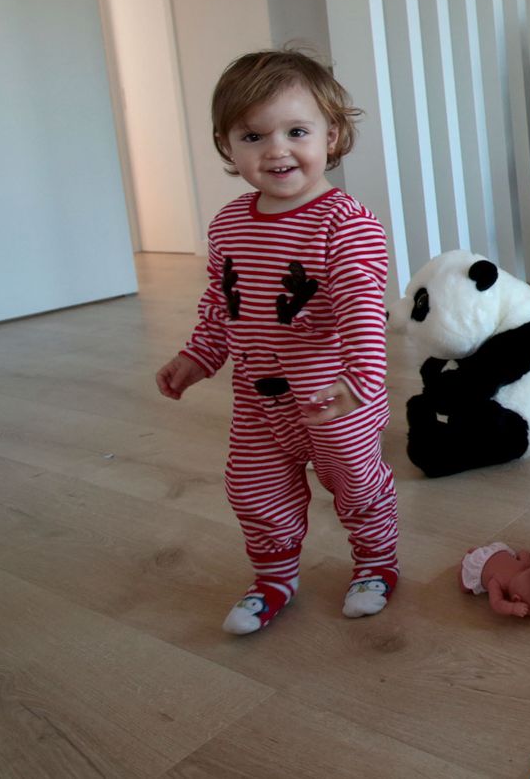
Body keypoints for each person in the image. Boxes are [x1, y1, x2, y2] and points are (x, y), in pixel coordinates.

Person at [154, 50, 398, 634]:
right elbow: (222, 301)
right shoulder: (229, 224)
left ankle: (376, 562)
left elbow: (364, 309)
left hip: (334, 397)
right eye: (253, 135)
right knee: (251, 488)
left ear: (331, 135)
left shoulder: (345, 223)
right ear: (226, 145)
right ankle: (273, 577)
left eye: (296, 131)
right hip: (259, 400)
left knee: (355, 483)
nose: (276, 149)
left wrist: (360, 384)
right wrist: (198, 355)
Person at [461, 542, 530, 617]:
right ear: (516, 599)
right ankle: (465, 562)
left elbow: (524, 552)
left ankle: (476, 551)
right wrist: (512, 608)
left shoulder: (524, 565)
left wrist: (519, 559)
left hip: (497, 551)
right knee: (465, 588)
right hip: (478, 566)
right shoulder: (496, 582)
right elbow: (496, 603)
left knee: (480, 552)